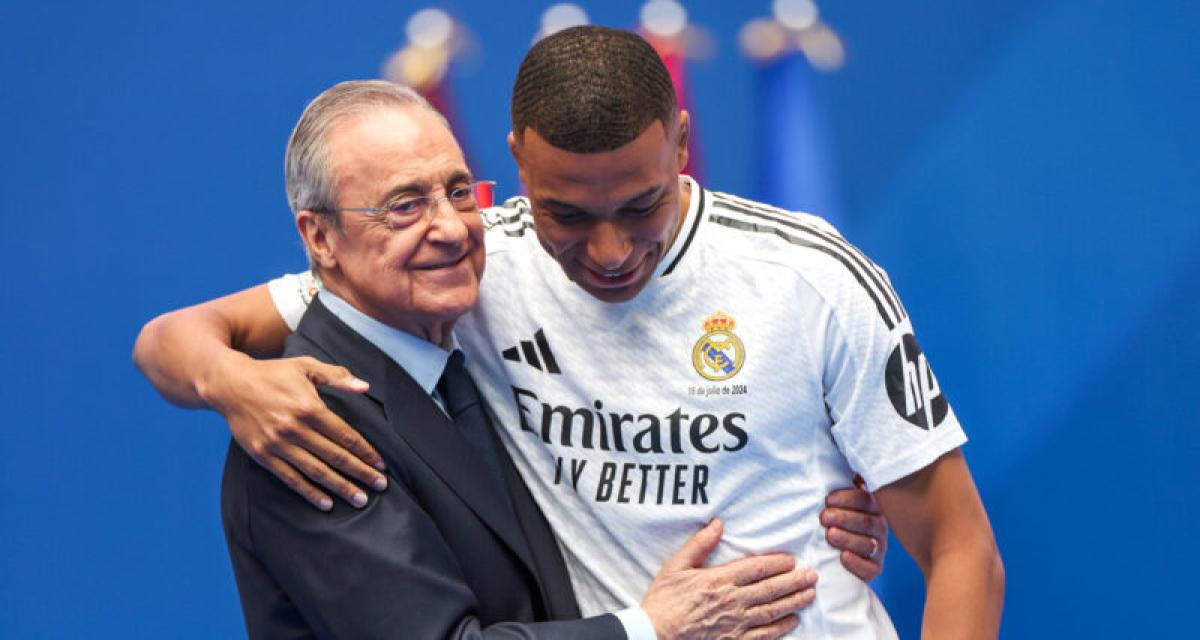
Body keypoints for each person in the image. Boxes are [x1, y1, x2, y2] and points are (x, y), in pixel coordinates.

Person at [132, 27, 968, 637]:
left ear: (682, 144)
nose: (609, 252)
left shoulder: (811, 277)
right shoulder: (467, 268)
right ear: (519, 167)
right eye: (567, 215)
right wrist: (232, 382)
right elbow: (176, 336)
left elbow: (961, 550)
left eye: (641, 206)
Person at [218, 79, 823, 639]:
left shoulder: (466, 353)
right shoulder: (305, 426)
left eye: (459, 192)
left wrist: (828, 501)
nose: (452, 228)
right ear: (320, 238)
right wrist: (651, 628)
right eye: (405, 206)